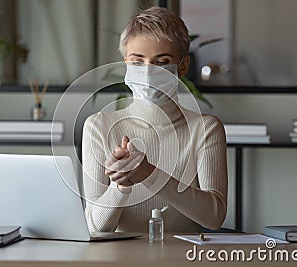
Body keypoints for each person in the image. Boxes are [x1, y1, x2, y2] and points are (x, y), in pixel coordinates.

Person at [82, 6, 227, 233]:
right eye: (138, 61)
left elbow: (213, 218)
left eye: (161, 62)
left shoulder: (205, 128)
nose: (148, 72)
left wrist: (148, 173)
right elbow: (96, 226)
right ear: (125, 64)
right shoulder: (99, 126)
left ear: (182, 67)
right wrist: (120, 186)